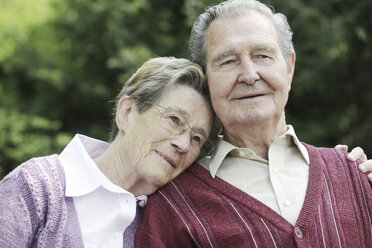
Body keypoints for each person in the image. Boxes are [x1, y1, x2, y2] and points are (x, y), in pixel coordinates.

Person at [135, 1, 372, 247]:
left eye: (262, 56)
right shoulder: (173, 208)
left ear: (289, 67)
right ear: (207, 80)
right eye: (227, 62)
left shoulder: (355, 176)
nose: (249, 75)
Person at [0, 57, 218, 248]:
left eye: (197, 138)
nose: (184, 145)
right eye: (174, 119)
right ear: (127, 113)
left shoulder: (167, 226)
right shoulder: (36, 188)